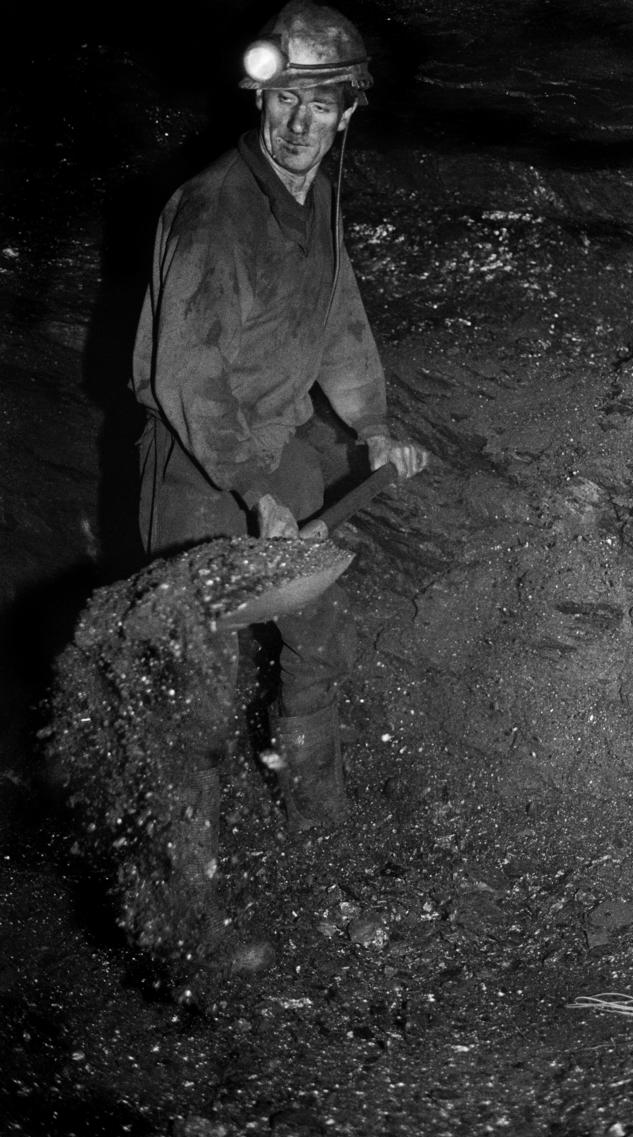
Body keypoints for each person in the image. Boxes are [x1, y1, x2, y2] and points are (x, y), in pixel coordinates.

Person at [130, 0, 428, 883]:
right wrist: (256, 493)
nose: (301, 123)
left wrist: (372, 427)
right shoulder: (213, 209)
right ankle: (184, 875)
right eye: (286, 99)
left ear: (349, 112)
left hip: (283, 442)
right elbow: (189, 374)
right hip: (198, 461)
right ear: (258, 100)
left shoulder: (320, 197)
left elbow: (337, 323)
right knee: (197, 666)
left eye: (321, 103)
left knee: (315, 633)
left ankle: (317, 824)